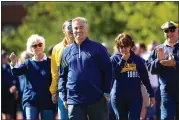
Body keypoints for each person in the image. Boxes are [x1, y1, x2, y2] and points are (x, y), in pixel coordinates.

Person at [58, 17, 112, 120]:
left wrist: (106, 92)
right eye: (76, 28)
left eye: (81, 27)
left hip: (97, 98)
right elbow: (62, 75)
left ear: (87, 29)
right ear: (72, 30)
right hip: (74, 100)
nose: (78, 30)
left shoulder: (98, 48)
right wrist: (64, 96)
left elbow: (108, 70)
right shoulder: (66, 52)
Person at [9, 34, 56, 120]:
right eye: (34, 46)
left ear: (43, 46)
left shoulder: (51, 62)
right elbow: (16, 71)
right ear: (31, 49)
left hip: (47, 99)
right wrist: (13, 62)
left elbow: (55, 79)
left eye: (40, 44)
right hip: (31, 100)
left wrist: (55, 93)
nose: (38, 47)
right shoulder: (27, 63)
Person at [110, 33, 155, 120]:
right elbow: (111, 77)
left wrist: (151, 94)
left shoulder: (138, 60)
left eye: (126, 46)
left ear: (131, 46)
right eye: (121, 47)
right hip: (118, 97)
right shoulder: (114, 59)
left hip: (135, 98)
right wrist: (122, 62)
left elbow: (145, 78)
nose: (124, 49)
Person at [146, 21, 179, 120]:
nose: (169, 33)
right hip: (167, 93)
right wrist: (158, 60)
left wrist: (175, 64)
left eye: (172, 30)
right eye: (166, 31)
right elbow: (150, 69)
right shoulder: (158, 49)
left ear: (178, 31)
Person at [49, 19, 74, 120]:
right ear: (63, 30)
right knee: (64, 117)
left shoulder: (83, 46)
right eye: (69, 27)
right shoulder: (57, 48)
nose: (72, 29)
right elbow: (55, 72)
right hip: (63, 91)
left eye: (74, 27)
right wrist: (54, 90)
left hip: (79, 90)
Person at [2, 50, 18, 120]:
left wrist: (15, 87)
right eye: (2, 57)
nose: (3, 58)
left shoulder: (10, 67)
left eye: (4, 57)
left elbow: (16, 78)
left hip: (9, 93)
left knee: (9, 113)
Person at [17, 51, 32, 120]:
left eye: (28, 57)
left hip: (31, 94)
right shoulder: (18, 69)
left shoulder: (33, 68)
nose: (26, 59)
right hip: (21, 94)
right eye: (25, 57)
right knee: (23, 114)